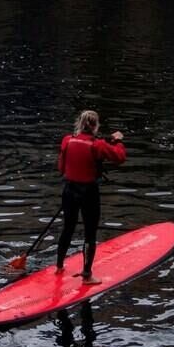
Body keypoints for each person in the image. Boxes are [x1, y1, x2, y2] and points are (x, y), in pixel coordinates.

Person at [54, 110, 126, 284]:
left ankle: (59, 267)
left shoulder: (67, 140)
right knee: (89, 233)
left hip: (69, 191)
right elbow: (120, 157)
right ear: (95, 126)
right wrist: (118, 140)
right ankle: (87, 275)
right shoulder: (98, 145)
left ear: (80, 123)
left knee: (67, 228)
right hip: (89, 193)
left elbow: (61, 168)